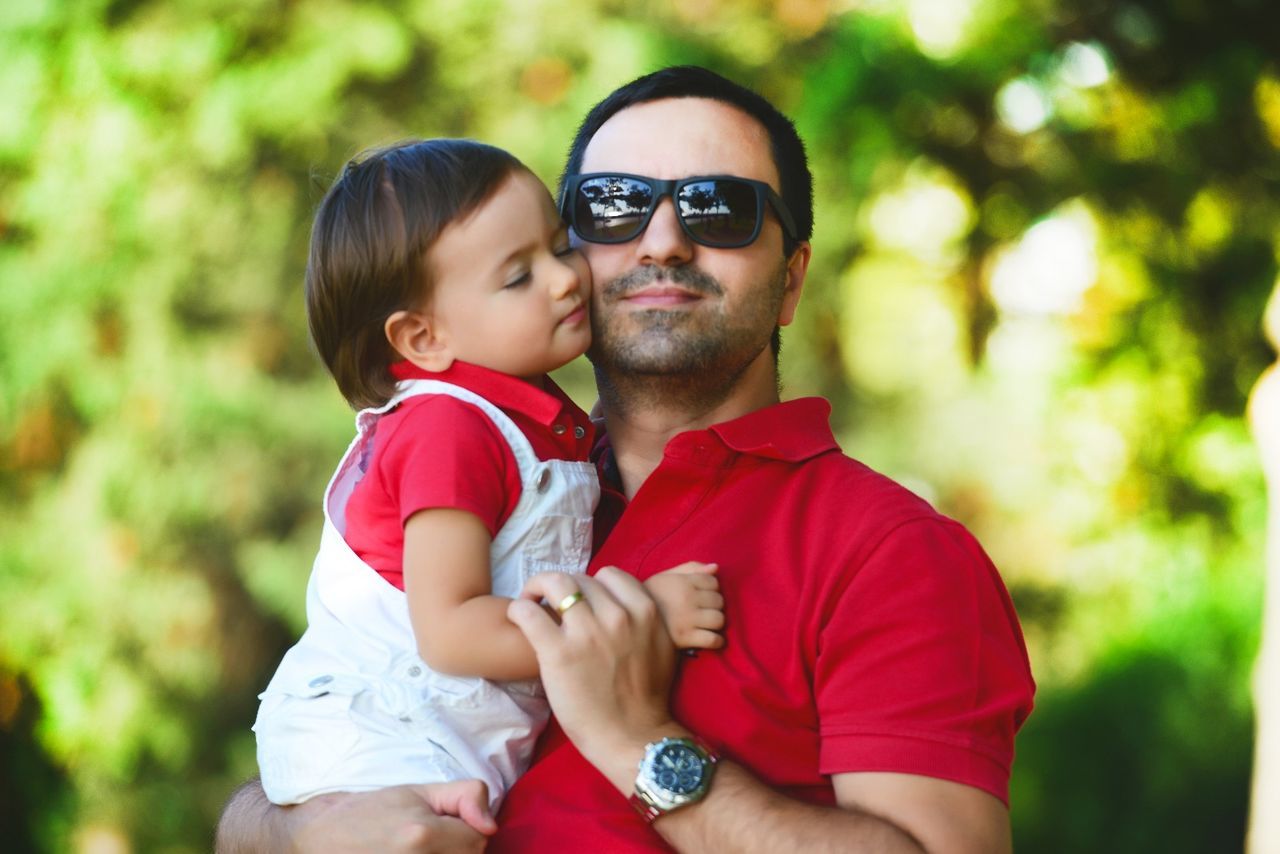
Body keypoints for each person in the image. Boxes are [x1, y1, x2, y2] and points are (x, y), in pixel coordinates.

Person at [217, 66, 1035, 853]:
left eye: (720, 210)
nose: (666, 240)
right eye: (615, 207)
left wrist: (639, 741)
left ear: (790, 282)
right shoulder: (495, 477)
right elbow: (330, 740)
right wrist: (293, 831)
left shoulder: (890, 552)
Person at [250, 138, 724, 821]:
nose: (566, 279)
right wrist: (640, 612)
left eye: (559, 247)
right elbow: (451, 631)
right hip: (381, 749)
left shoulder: (525, 418)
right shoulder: (449, 430)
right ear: (422, 339)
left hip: (446, 752)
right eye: (517, 278)